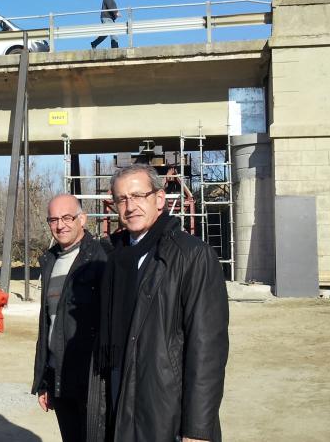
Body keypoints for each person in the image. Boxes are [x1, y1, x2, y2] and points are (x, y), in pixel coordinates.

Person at [90, 164, 229, 442]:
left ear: (160, 199)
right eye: (122, 199)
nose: (130, 206)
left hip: (165, 404)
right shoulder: (113, 257)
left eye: (139, 196)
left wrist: (197, 428)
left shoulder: (191, 255)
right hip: (120, 392)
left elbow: (207, 348)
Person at [31, 194, 108, 442]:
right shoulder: (50, 260)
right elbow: (48, 325)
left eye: (67, 217)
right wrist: (44, 379)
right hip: (59, 376)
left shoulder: (102, 258)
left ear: (82, 219)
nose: (60, 225)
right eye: (53, 219)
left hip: (92, 380)